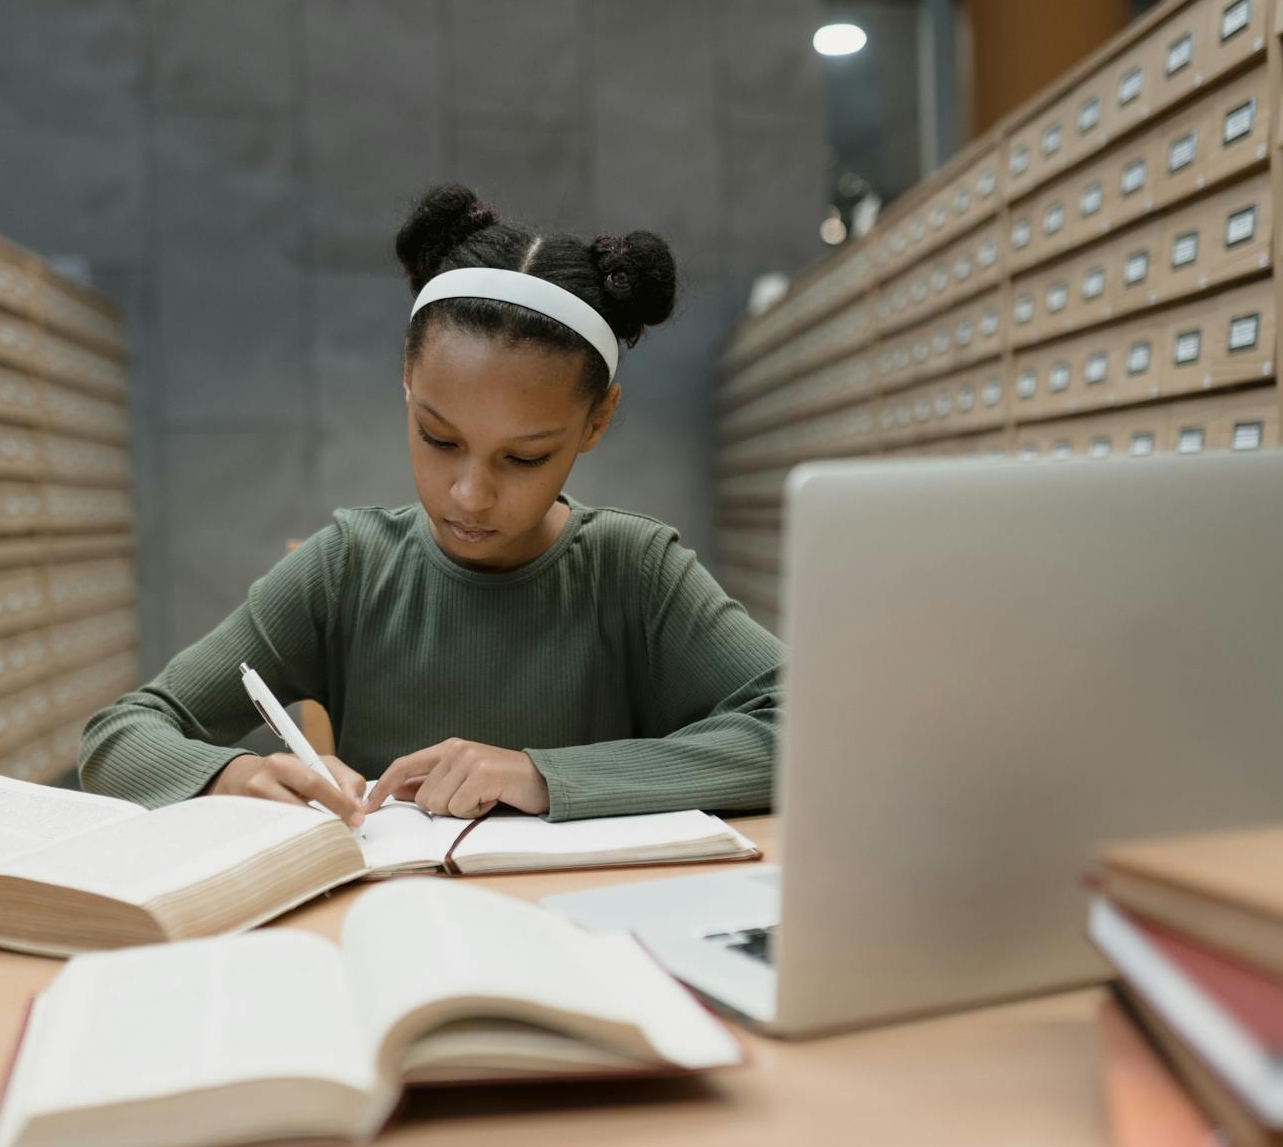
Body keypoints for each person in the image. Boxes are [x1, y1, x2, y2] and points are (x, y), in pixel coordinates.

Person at [78, 185, 782, 825]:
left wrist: (547, 775)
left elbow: (811, 726)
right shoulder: (348, 569)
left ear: (597, 421)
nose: (470, 494)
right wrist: (234, 777)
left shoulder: (635, 573)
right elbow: (120, 733)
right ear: (407, 380)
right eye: (438, 438)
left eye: (525, 457)